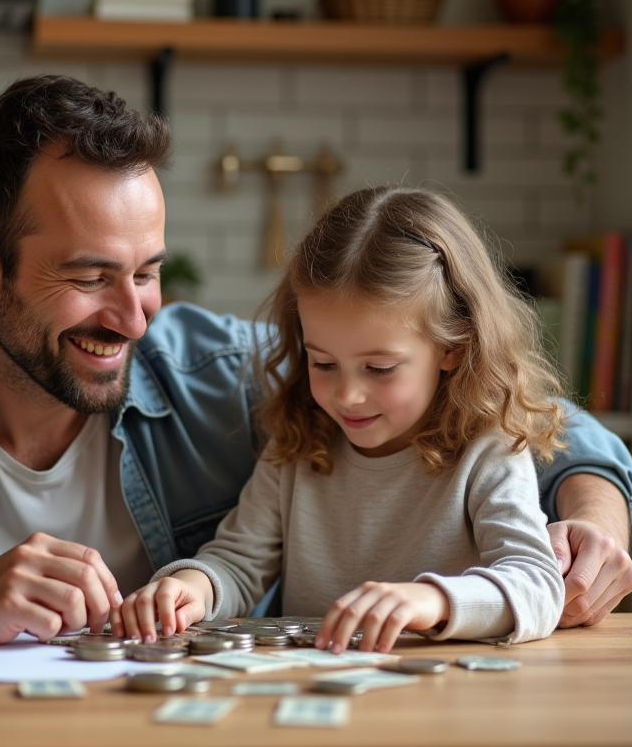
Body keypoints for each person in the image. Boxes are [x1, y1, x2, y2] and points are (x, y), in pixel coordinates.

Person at [0, 75, 632, 643]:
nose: (135, 314)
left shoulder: (218, 367)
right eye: (91, 276)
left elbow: (504, 409)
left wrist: (590, 520)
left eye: (150, 270)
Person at [113, 186, 567, 652]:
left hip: (444, 707)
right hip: (314, 701)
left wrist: (433, 600)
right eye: (323, 364)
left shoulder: (488, 452)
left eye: (380, 368)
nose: (348, 395)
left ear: (454, 347)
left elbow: (536, 584)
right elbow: (238, 563)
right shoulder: (298, 443)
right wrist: (192, 587)